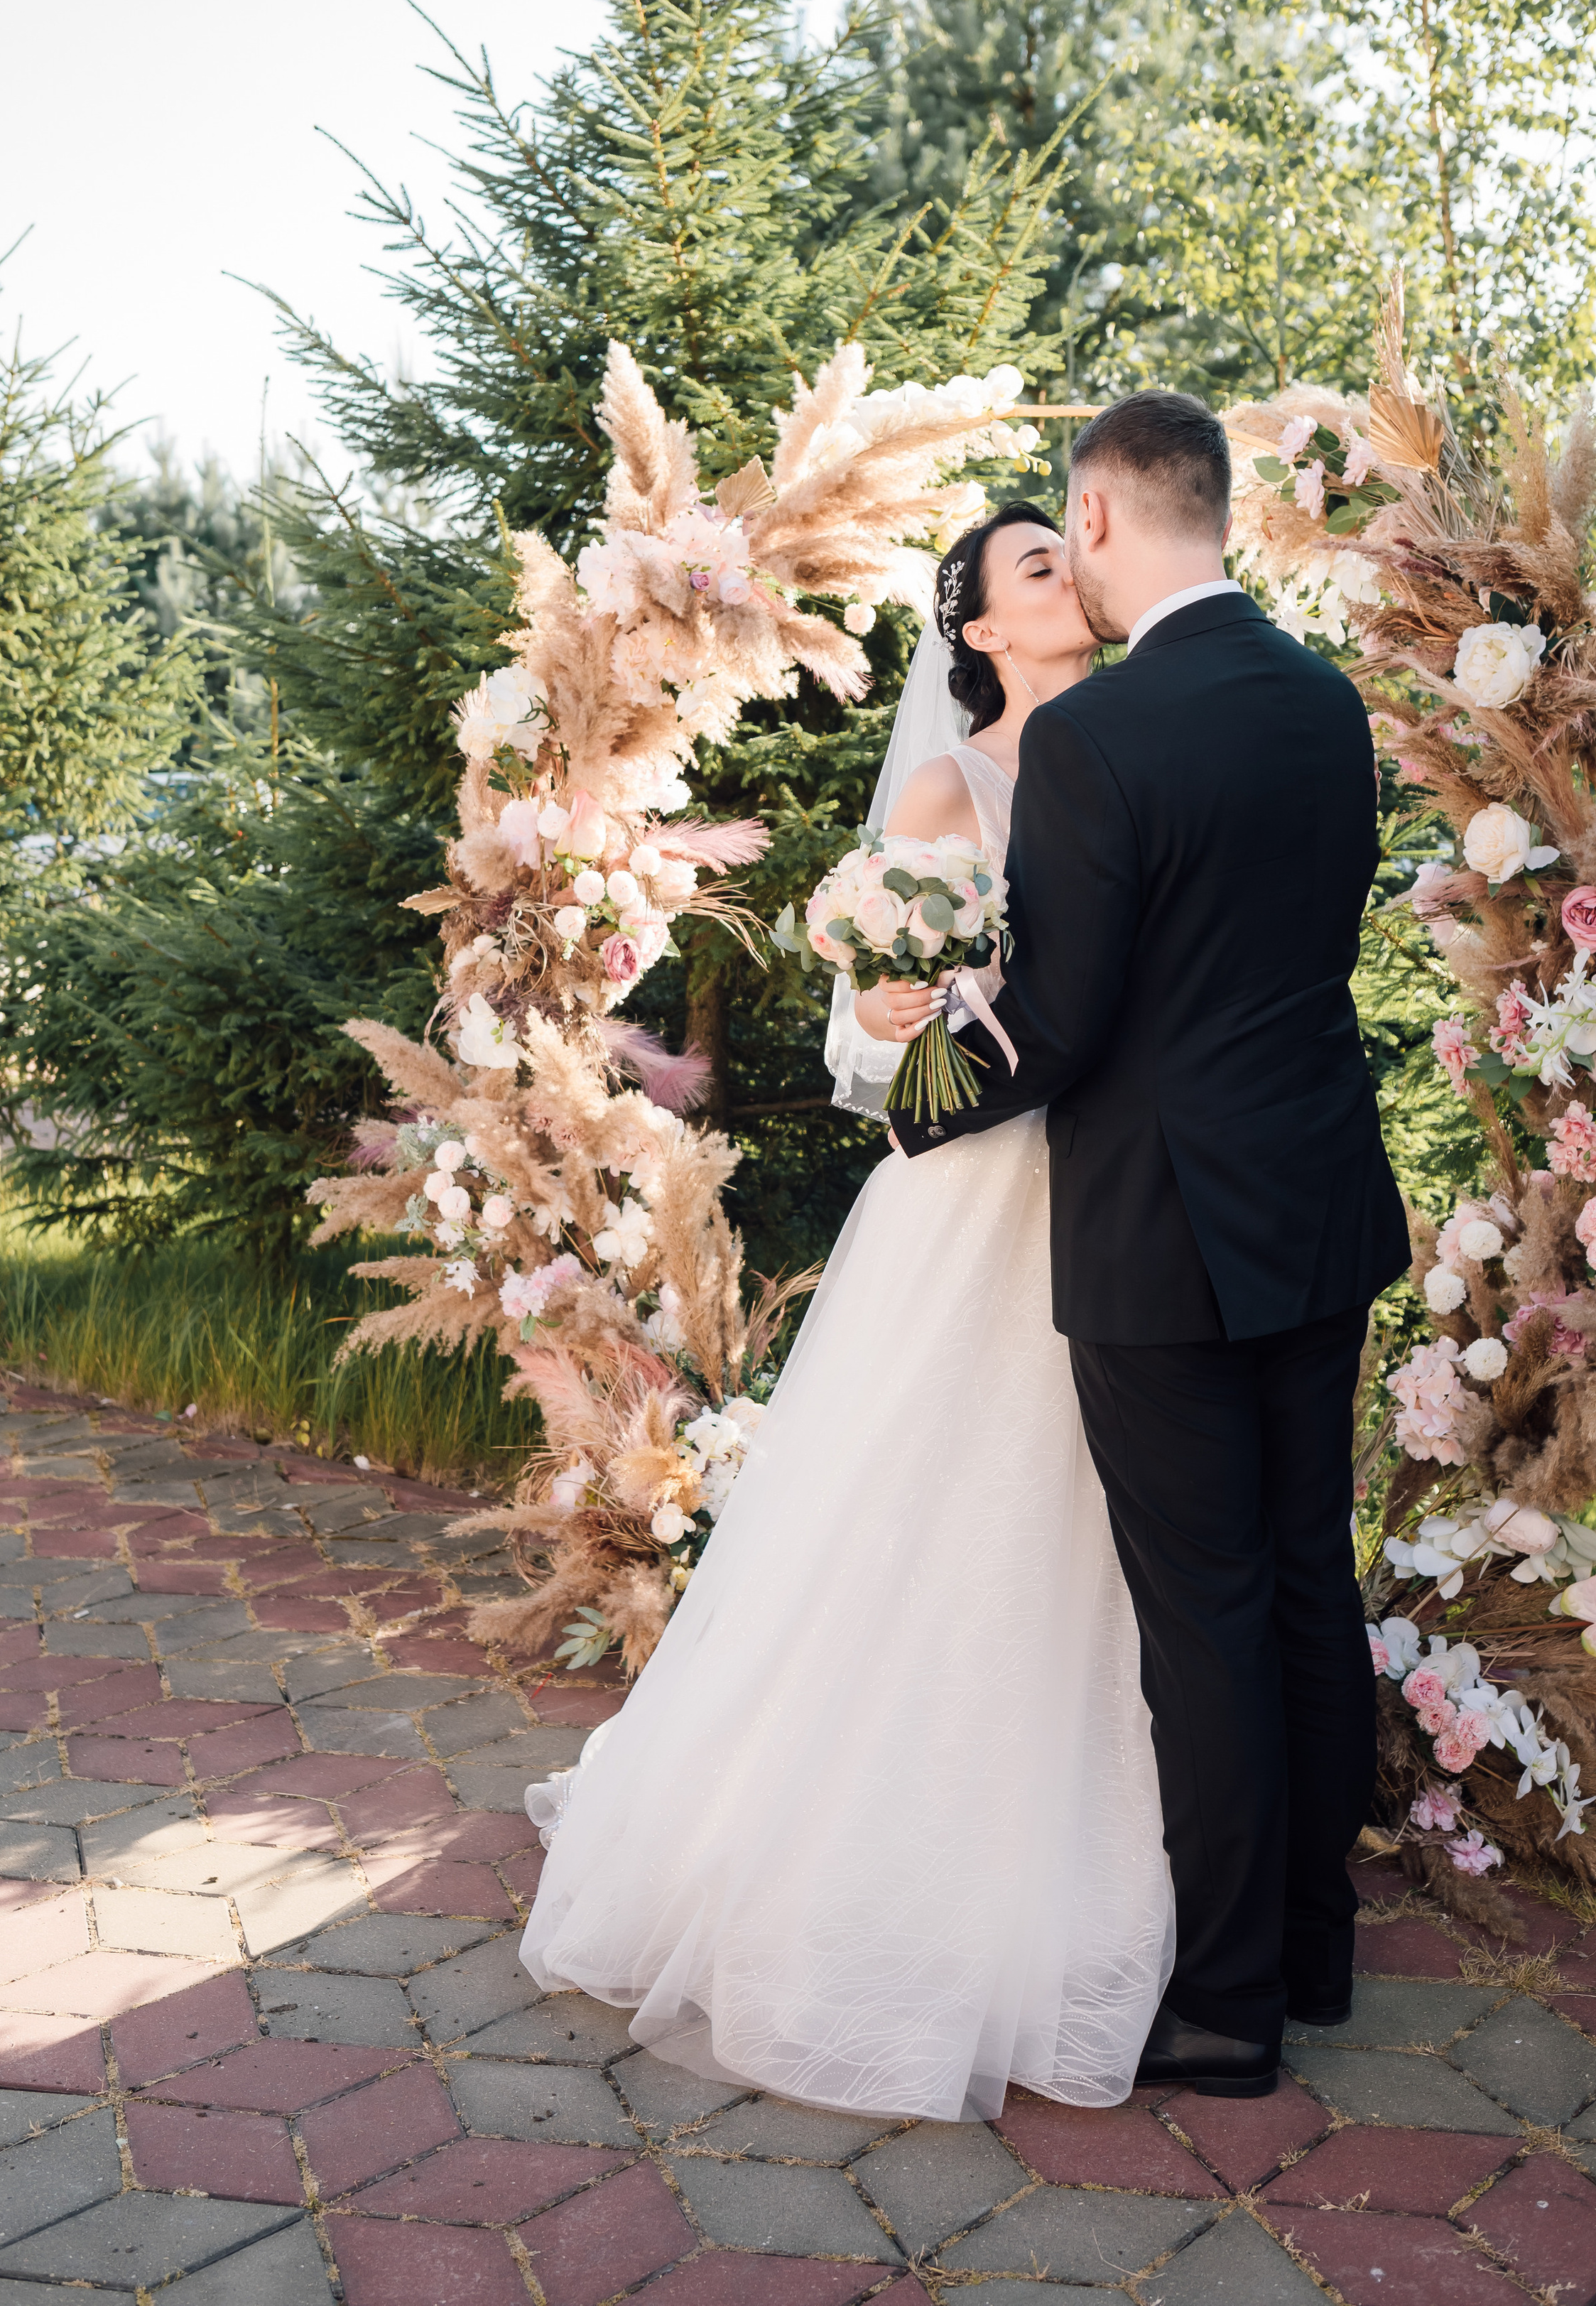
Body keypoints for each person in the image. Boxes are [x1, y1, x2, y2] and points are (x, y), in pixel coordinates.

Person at [516, 501, 1175, 2123]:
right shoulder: (958, 784)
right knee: (932, 1512)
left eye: (1066, 558)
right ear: (975, 630)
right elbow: (877, 1035)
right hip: (975, 1198)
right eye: (1033, 568)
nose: (1066, 577)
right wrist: (888, 1010)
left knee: (1089, 1524)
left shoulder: (1144, 754)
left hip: (1114, 1190)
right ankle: (878, 1887)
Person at [887, 393, 1408, 2099]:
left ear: (1099, 520)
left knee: (1204, 1621)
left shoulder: (1105, 739)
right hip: (1316, 1203)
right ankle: (1316, 1950)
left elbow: (1062, 1025)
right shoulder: (1326, 705)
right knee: (1303, 1585)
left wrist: (914, 1094)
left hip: (1162, 1234)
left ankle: (1225, 2008)